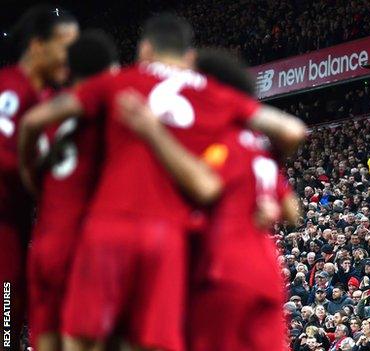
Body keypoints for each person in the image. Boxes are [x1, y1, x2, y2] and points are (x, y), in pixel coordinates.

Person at [18, 14, 305, 351]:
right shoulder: (214, 95)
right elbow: (291, 131)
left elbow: (35, 121)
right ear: (188, 58)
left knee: (79, 340)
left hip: (106, 224)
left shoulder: (120, 81)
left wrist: (29, 175)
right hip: (172, 237)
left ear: (144, 48)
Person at [27, 30, 116, 351]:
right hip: (91, 243)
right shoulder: (113, 109)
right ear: (111, 71)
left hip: (47, 243)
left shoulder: (42, 112)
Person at [0, 6, 78, 350]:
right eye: (64, 46)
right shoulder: (10, 89)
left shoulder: (51, 101)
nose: (69, 57)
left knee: (9, 324)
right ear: (36, 46)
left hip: (19, 230)